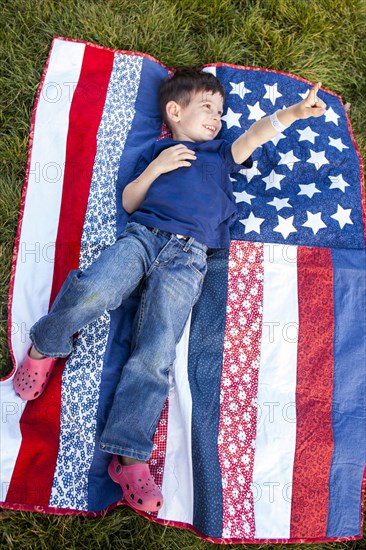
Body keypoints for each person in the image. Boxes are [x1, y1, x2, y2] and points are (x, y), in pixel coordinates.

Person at [13, 68, 326, 512]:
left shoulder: (219, 153)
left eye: (220, 111)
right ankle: (46, 344)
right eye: (207, 108)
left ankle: (130, 455)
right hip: (143, 237)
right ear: (174, 112)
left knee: (156, 352)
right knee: (95, 288)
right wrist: (157, 167)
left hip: (189, 259)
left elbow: (254, 136)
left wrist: (293, 112)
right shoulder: (160, 151)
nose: (217, 118)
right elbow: (128, 202)